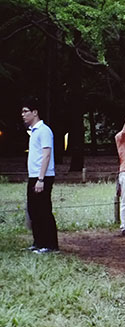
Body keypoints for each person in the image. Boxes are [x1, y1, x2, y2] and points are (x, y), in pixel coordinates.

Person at [21, 98, 59, 254]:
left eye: (26, 111)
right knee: (33, 210)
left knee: (43, 210)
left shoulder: (44, 131)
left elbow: (46, 155)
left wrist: (41, 179)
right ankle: (39, 242)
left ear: (35, 112)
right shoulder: (33, 132)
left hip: (43, 176)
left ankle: (51, 245)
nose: (23, 114)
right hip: (34, 176)